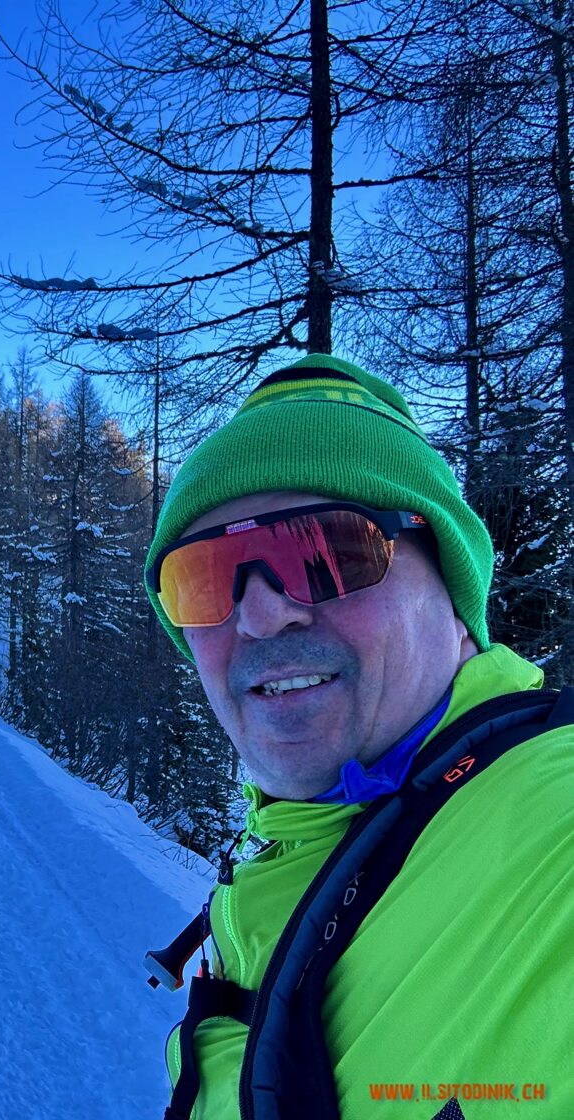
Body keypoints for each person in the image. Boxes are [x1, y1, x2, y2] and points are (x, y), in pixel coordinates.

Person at [141, 354, 574, 1119]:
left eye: (329, 553)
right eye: (203, 579)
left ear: (452, 592)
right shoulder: (291, 845)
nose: (259, 616)